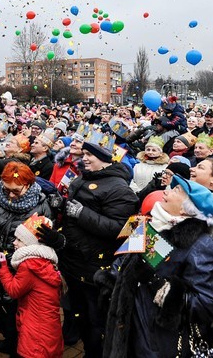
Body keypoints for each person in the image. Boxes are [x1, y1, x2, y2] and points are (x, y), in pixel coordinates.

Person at [96, 176, 213, 357]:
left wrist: (158, 284)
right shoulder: (150, 224)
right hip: (126, 326)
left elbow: (207, 305)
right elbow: (126, 259)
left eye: (175, 190)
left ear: (185, 209)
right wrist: (110, 280)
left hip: (158, 341)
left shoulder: (202, 246)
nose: (165, 191)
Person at [59, 132, 139, 358]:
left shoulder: (119, 188)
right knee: (77, 313)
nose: (84, 158)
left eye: (89, 155)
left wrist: (82, 213)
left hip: (94, 266)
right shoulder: (83, 177)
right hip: (74, 260)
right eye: (83, 153)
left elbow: (121, 229)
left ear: (104, 159)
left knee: (95, 320)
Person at [0, 162, 52, 358]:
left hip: (19, 276)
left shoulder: (41, 204)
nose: (9, 195)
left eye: (15, 191)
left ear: (28, 185)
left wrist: (55, 239)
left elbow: (44, 243)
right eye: (6, 189)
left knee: (14, 329)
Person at [0, 213, 63, 358]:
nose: (14, 243)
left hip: (34, 334)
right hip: (49, 330)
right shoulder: (46, 260)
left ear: (31, 243)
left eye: (19, 239)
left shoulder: (29, 265)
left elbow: (13, 290)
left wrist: (2, 267)